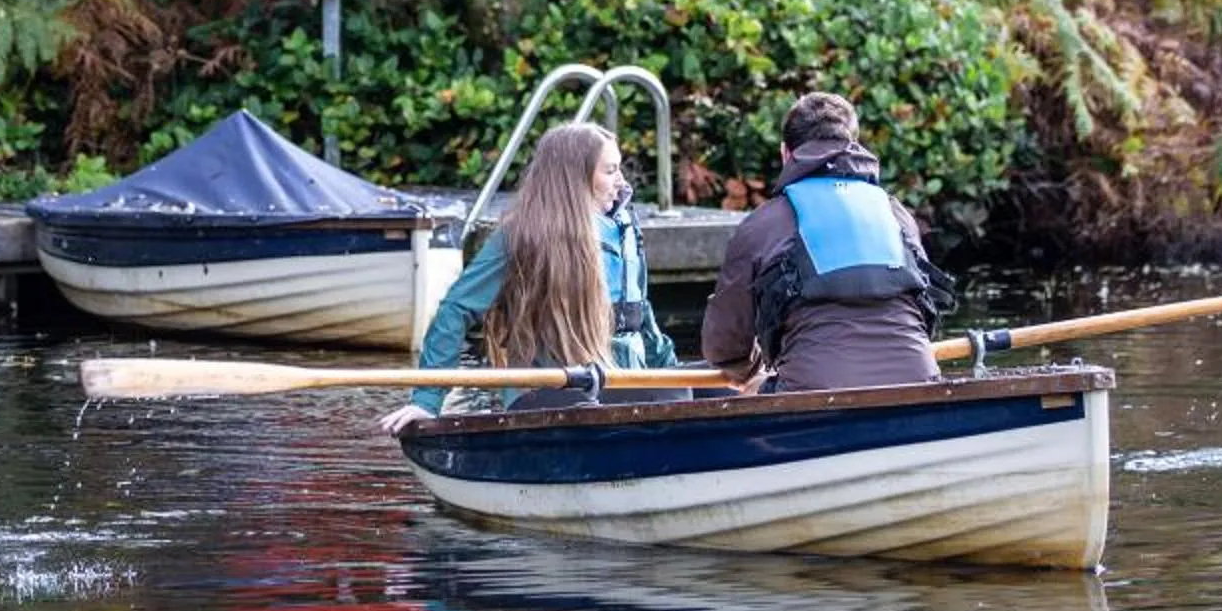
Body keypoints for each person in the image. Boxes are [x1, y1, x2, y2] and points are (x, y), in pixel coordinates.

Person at [380, 122, 682, 433]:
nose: (620, 182)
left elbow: (640, 318)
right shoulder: (522, 235)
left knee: (701, 389)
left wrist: (673, 372)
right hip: (551, 394)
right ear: (575, 178)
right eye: (610, 170)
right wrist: (426, 401)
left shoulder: (624, 230)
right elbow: (455, 311)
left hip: (625, 381)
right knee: (674, 394)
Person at [700, 92, 952, 392]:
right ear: (855, 146)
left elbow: (726, 347)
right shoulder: (897, 214)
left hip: (811, 391)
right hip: (919, 382)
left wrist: (752, 369)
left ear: (785, 154)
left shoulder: (761, 226)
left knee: (748, 389)